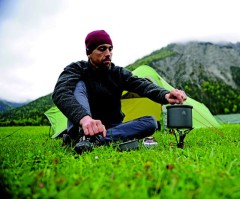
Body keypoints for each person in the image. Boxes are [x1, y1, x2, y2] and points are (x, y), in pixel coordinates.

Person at [52, 30, 187, 154]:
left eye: (110, 49)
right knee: (78, 84)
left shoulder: (118, 73)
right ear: (89, 52)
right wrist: (85, 119)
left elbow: (142, 85)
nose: (108, 54)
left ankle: (93, 141)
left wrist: (166, 94)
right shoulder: (76, 69)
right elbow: (61, 93)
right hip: (83, 125)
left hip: (112, 127)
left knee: (151, 122)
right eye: (102, 49)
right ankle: (84, 136)